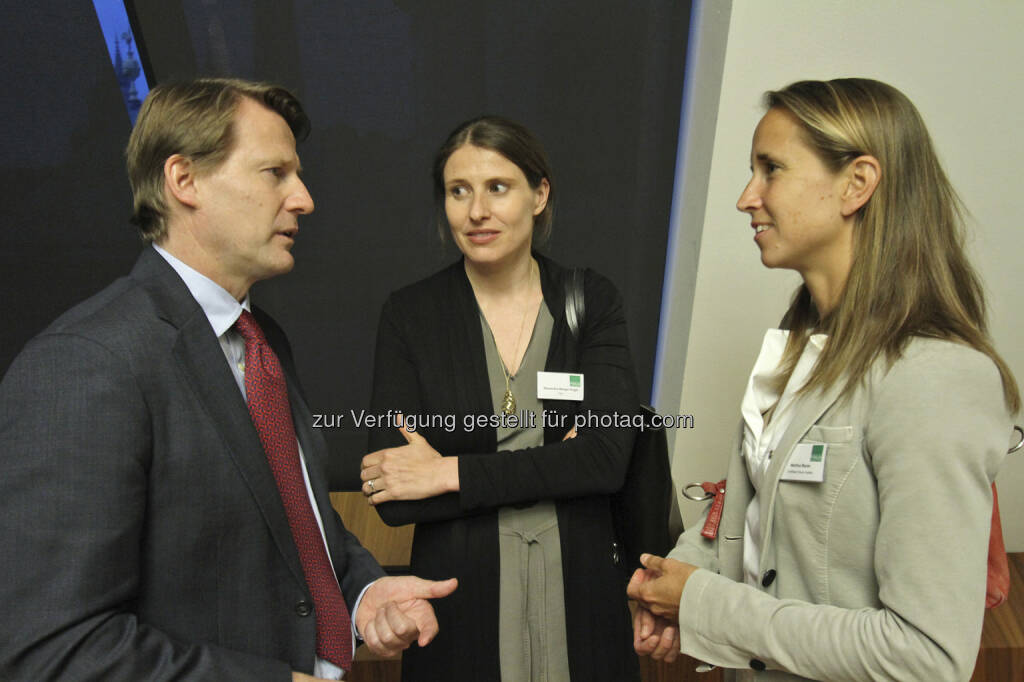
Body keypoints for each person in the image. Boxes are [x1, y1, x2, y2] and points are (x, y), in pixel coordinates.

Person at [0, 78, 456, 682]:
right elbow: (50, 648)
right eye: (275, 173)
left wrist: (363, 596)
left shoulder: (261, 339)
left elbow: (289, 520)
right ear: (183, 180)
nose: (304, 199)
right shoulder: (87, 362)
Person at [628, 78, 1020, 680]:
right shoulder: (797, 352)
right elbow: (759, 527)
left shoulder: (936, 375)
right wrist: (673, 580)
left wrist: (702, 602)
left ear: (857, 183)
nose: (746, 197)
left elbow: (927, 657)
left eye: (771, 170)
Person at [359, 116, 641, 680]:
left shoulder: (591, 303)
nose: (476, 212)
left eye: (498, 188)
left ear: (539, 195)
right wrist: (557, 465)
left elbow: (607, 460)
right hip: (460, 604)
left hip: (583, 599)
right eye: (458, 191)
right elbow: (393, 493)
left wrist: (449, 472)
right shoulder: (411, 315)